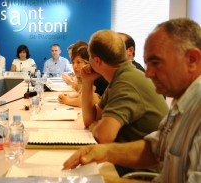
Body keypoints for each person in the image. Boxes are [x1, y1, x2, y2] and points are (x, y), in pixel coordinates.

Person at [63, 18, 201, 182]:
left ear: (192, 59)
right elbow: (156, 147)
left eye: (155, 63)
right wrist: (105, 152)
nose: (148, 74)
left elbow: (103, 135)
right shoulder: (184, 101)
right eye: (147, 63)